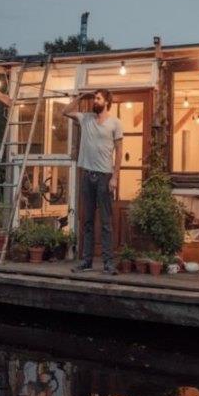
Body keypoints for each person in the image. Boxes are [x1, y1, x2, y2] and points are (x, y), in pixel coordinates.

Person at [63, 89, 123, 274]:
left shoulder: (115, 123)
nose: (94, 101)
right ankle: (86, 261)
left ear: (106, 102)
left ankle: (108, 263)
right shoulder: (86, 118)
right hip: (87, 175)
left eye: (98, 98)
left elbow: (119, 151)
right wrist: (80, 97)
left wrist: (115, 176)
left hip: (104, 176)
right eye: (94, 98)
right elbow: (65, 111)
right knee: (87, 221)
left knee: (105, 222)